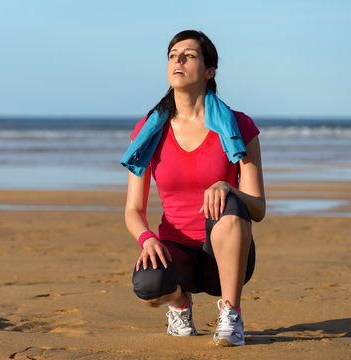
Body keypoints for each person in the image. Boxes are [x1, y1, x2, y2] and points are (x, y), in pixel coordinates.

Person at [123, 30, 265, 347]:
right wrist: (147, 240)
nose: (179, 59)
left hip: (224, 257)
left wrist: (228, 188)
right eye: (173, 54)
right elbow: (133, 210)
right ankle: (180, 305)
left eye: (189, 54)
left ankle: (231, 314)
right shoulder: (148, 130)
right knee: (147, 285)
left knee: (230, 200)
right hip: (176, 250)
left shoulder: (238, 126)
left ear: (209, 71)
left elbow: (257, 207)